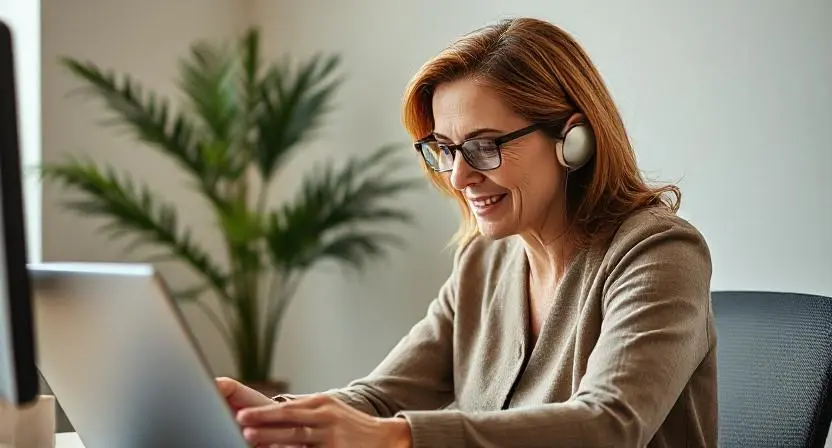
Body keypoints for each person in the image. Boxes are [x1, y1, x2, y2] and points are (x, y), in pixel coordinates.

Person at [216, 16, 717, 448]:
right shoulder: (483, 261)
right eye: (445, 149)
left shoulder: (660, 252)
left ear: (573, 139)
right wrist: (273, 419)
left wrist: (398, 437)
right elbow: (380, 397)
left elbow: (610, 426)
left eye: (483, 146)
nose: (458, 177)